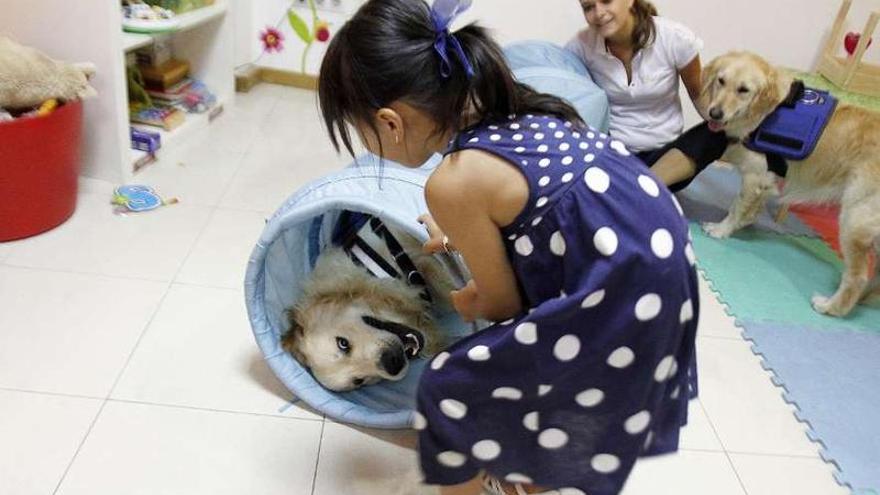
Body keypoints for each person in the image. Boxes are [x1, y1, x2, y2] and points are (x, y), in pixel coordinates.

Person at [318, 0, 700, 493]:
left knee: (451, 387)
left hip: (626, 295)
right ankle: (523, 478)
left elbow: (502, 303)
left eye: (359, 131)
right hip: (659, 261)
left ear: (390, 122)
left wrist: (465, 298)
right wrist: (462, 234)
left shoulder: (452, 181)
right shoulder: (514, 110)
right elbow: (536, 213)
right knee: (533, 378)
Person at [566, 0, 727, 191]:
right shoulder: (581, 45)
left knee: (721, 132)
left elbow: (701, 98)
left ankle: (641, 187)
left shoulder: (675, 37)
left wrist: (735, 131)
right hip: (612, 153)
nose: (598, 12)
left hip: (666, 159)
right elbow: (565, 93)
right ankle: (640, 190)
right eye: (588, 7)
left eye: (606, 1)